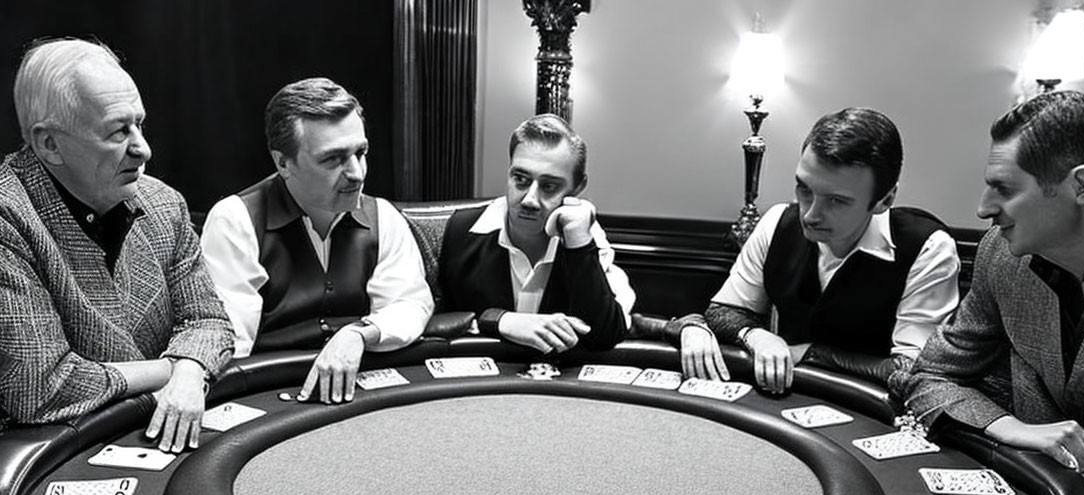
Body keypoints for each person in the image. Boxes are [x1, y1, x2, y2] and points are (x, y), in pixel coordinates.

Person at [0, 38, 233, 451]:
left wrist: (193, 366)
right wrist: (175, 369)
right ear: (49, 144)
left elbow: (209, 323)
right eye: (117, 132)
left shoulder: (164, 203)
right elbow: (40, 386)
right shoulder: (9, 218)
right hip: (49, 456)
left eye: (139, 124)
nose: (143, 148)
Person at [678, 107, 960, 392]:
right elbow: (723, 312)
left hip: (874, 412)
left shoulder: (928, 248)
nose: (810, 214)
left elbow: (909, 371)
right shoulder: (777, 222)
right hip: (783, 397)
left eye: (836, 201)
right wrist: (755, 336)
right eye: (804, 189)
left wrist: (807, 352)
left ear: (885, 200)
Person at [201, 78, 433, 404]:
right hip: (267, 392)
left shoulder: (384, 216)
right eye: (334, 159)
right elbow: (229, 343)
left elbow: (410, 305)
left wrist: (357, 334)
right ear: (283, 162)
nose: (357, 173)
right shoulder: (236, 220)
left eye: (361, 152)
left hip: (358, 382)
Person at [898, 90, 1084, 475]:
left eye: (1004, 188)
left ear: (1082, 187)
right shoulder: (1001, 256)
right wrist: (1012, 428)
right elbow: (931, 375)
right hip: (1043, 492)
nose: (983, 208)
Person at [437, 113, 634, 353]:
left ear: (577, 188)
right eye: (520, 179)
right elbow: (437, 321)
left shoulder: (586, 235)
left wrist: (580, 244)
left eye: (549, 186)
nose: (530, 199)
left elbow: (604, 335)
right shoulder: (462, 228)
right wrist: (500, 320)